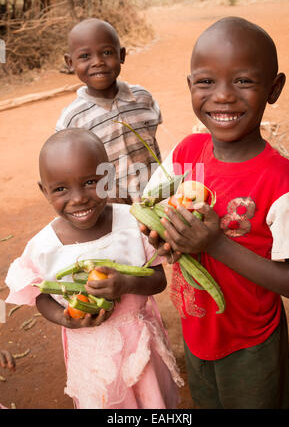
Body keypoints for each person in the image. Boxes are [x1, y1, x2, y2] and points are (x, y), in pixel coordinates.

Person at [140, 16, 289, 409]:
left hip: (251, 342)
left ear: (274, 88)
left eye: (243, 81)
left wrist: (215, 244)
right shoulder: (186, 153)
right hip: (196, 329)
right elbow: (153, 211)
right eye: (207, 82)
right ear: (190, 86)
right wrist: (164, 234)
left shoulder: (284, 182)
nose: (224, 96)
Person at [5, 128, 183, 409]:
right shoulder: (43, 247)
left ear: (108, 178)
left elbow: (157, 279)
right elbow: (41, 296)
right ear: (44, 190)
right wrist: (64, 318)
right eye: (61, 189)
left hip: (141, 345)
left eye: (90, 182)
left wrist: (126, 283)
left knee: (152, 400)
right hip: (91, 355)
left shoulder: (132, 223)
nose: (78, 199)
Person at [56, 18, 162, 204]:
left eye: (106, 52)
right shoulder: (73, 119)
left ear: (121, 55)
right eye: (85, 56)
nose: (98, 62)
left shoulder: (142, 98)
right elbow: (72, 167)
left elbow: (152, 139)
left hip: (156, 195)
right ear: (70, 62)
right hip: (111, 206)